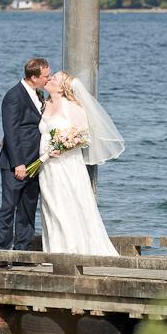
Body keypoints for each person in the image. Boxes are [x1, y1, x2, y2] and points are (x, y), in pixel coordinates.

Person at [37, 71, 124, 256]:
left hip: (66, 165)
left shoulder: (72, 107)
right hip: (47, 167)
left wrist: (64, 147)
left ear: (61, 88)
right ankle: (54, 251)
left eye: (54, 78)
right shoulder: (45, 104)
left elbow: (84, 136)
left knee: (68, 204)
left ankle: (73, 250)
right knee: (51, 206)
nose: (49, 78)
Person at [0, 58, 51, 268]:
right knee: (8, 208)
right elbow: (11, 131)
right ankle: (0, 256)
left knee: (28, 209)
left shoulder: (39, 93)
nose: (49, 78)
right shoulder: (13, 96)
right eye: (46, 76)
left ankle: (22, 255)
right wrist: (18, 163)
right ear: (34, 77)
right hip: (15, 164)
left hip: (36, 161)